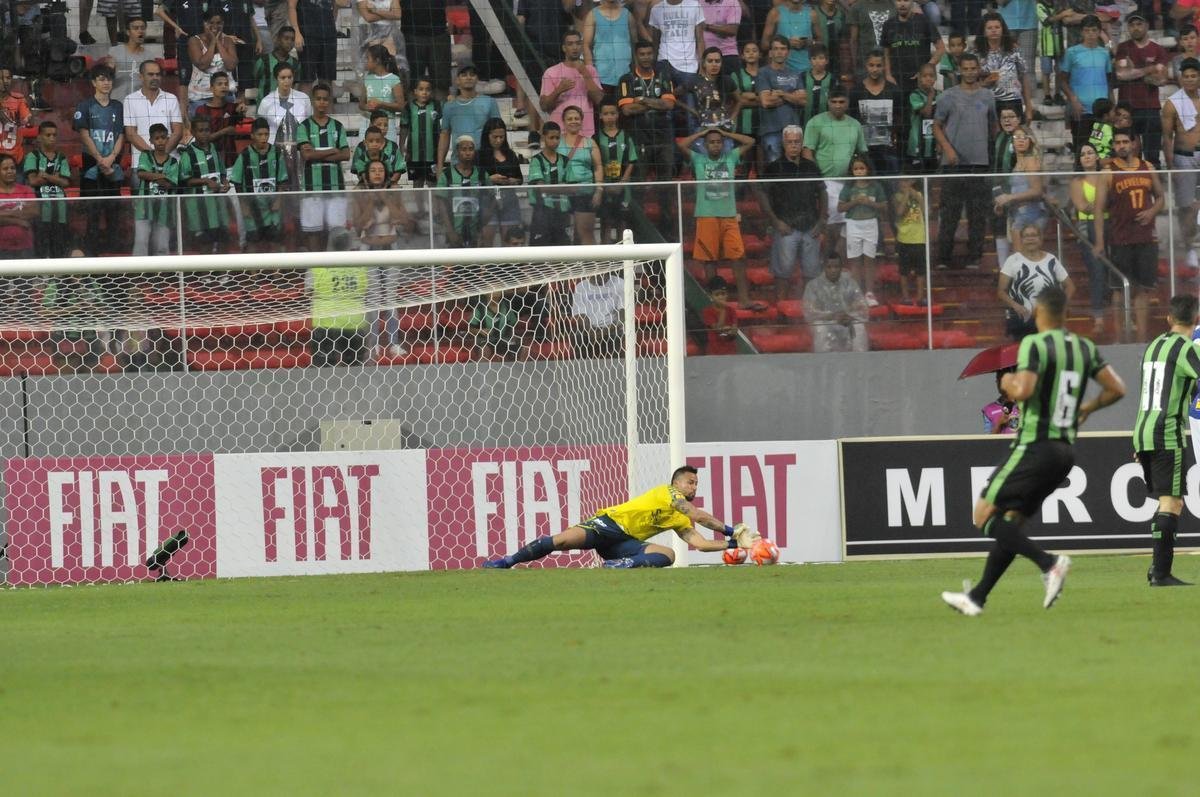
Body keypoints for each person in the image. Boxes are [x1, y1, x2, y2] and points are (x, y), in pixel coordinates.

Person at [941, 287, 1126, 616]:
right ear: (1064, 313)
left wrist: (1008, 384)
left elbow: (1023, 390)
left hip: (1035, 444)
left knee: (983, 516)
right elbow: (1117, 388)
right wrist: (1089, 406)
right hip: (1065, 453)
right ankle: (977, 597)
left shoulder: (1034, 345)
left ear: (1039, 312)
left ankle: (1050, 563)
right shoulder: (1084, 347)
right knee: (1012, 523)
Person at [483, 464, 761, 569]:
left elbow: (699, 543)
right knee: (561, 541)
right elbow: (697, 515)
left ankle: (620, 564)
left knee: (668, 555)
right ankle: (507, 562)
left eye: (696, 484)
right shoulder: (668, 494)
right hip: (608, 524)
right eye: (690, 482)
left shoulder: (679, 518)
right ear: (676, 483)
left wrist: (737, 545)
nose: (694, 487)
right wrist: (729, 530)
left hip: (623, 542)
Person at [1135, 295, 1200, 586]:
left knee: (1169, 502)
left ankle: (1156, 569)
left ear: (1169, 318)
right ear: (1195, 319)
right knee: (1171, 503)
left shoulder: (1153, 346)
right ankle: (1161, 573)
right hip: (1167, 431)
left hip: (1143, 430)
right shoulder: (1186, 348)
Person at [1093, 129, 1164, 342]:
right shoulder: (1108, 172)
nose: (1121, 145)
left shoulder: (1147, 167)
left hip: (1145, 237)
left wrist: (1152, 211)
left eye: (1125, 141)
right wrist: (1099, 241)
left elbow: (1161, 197)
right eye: (1117, 142)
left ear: (1134, 144)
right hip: (1120, 237)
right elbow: (1098, 209)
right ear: (1113, 146)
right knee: (1118, 289)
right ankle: (1120, 335)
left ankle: (1141, 339)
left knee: (1143, 289)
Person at [679, 126, 758, 304]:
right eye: (711, 142)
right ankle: (713, 301)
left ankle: (744, 299)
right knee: (709, 260)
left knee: (738, 257)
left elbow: (750, 141)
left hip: (729, 215)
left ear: (723, 144)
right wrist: (702, 133)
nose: (715, 145)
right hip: (706, 215)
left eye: (718, 142)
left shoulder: (731, 157)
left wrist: (725, 133)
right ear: (705, 145)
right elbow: (682, 145)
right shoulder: (698, 159)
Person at [933, 52, 997, 271]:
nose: (970, 72)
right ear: (959, 70)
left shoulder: (988, 96)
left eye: (973, 68)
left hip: (979, 163)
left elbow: (993, 126)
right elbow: (936, 126)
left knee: (977, 213)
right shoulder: (948, 96)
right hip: (953, 163)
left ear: (978, 69)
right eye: (966, 68)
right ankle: (943, 257)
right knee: (950, 212)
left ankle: (975, 256)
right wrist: (948, 149)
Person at [757, 124, 825, 303]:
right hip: (786, 226)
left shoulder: (811, 167)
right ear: (783, 143)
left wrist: (821, 221)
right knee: (783, 272)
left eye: (796, 142)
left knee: (811, 271)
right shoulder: (774, 168)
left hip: (810, 225)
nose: (793, 145)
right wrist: (775, 221)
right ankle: (781, 306)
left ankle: (809, 306)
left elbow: (822, 192)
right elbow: (762, 193)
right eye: (789, 142)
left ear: (802, 143)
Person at [74, 64, 126, 257]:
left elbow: (121, 134)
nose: (106, 83)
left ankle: (113, 257)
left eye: (109, 79)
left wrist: (110, 159)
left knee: (114, 212)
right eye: (102, 79)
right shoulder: (84, 106)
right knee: (92, 213)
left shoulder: (118, 106)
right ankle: (91, 254)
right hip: (91, 167)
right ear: (94, 82)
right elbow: (84, 135)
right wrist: (100, 159)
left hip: (112, 168)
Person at [296, 83, 351, 252]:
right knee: (314, 232)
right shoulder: (303, 126)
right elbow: (307, 156)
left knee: (336, 231)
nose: (322, 102)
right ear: (313, 101)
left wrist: (317, 152)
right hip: (313, 189)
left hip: (336, 188)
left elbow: (346, 154)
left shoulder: (337, 126)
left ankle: (334, 268)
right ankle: (316, 269)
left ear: (329, 102)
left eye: (325, 99)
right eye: (318, 99)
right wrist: (333, 150)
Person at [998, 223, 1074, 340]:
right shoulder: (1012, 260)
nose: (1030, 239)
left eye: (1034, 235)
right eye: (1026, 236)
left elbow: (1070, 287)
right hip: (1021, 320)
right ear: (1021, 239)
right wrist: (1016, 306)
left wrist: (1059, 306)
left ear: (1040, 238)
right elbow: (1001, 292)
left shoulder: (1051, 260)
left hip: (1047, 319)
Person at [1114, 12, 1167, 168]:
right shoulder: (1123, 48)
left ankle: (1153, 188)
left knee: (1152, 156)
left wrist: (1134, 72)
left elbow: (1162, 79)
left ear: (1147, 26)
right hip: (1126, 110)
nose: (1135, 28)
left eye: (1139, 24)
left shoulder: (1158, 49)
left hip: (1151, 108)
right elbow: (1121, 75)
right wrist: (1150, 69)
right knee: (1129, 154)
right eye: (1132, 25)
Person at [1162, 58, 1200, 269]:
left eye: (1194, 76)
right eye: (1186, 76)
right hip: (1184, 156)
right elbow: (1167, 137)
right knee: (1186, 206)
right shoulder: (1172, 103)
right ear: (1180, 78)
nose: (1190, 79)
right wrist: (1171, 166)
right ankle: (1189, 248)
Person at [231, 117, 290, 251]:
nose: (263, 138)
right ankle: (254, 273)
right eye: (260, 134)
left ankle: (276, 272)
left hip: (272, 207)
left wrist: (279, 200)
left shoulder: (276, 153)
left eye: (266, 134)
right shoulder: (245, 155)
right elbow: (237, 183)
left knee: (275, 240)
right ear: (252, 135)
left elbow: (282, 180)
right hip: (252, 208)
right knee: (253, 241)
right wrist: (244, 205)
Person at [1068, 142, 1109, 335]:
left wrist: (1100, 206)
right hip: (1088, 227)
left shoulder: (1106, 176)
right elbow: (1082, 206)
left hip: (1110, 225)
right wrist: (1103, 204)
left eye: (1090, 152)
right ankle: (1098, 317)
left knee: (1113, 269)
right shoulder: (1077, 181)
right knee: (1097, 271)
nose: (1086, 156)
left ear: (1097, 156)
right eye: (1083, 154)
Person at [993, 125, 1046, 266]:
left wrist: (1009, 198)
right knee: (1020, 258)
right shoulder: (1018, 162)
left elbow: (1037, 190)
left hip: (1029, 213)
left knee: (1023, 259)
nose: (1020, 140)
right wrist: (1003, 203)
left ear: (1030, 141)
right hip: (1016, 212)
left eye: (1024, 137)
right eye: (1016, 137)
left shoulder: (1031, 161)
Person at [837, 154, 886, 306]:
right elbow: (840, 207)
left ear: (867, 169)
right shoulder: (848, 187)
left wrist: (870, 203)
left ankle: (869, 293)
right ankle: (857, 293)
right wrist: (854, 202)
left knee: (869, 259)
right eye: (856, 169)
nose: (859, 171)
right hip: (853, 225)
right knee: (855, 260)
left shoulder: (875, 187)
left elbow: (884, 206)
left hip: (870, 224)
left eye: (862, 168)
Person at [1059, 15, 1112, 152]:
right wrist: (1073, 99)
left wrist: (1112, 106)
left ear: (1099, 32)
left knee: (1102, 151)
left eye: (1094, 30)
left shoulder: (1105, 54)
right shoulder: (1072, 52)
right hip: (1081, 110)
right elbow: (1062, 80)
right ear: (1082, 32)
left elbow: (1108, 81)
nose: (1090, 34)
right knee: (1081, 152)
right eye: (1087, 30)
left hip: (1101, 111)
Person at [179, 115, 231, 253]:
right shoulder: (188, 154)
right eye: (200, 130)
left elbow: (222, 172)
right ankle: (205, 274)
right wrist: (206, 181)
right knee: (205, 242)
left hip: (218, 204)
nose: (204, 133)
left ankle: (222, 272)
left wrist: (225, 182)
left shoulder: (214, 148)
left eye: (207, 130)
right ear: (193, 132)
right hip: (199, 205)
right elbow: (186, 180)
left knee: (223, 238)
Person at [541, 29, 606, 141]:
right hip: (559, 133)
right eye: (570, 44)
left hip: (585, 133)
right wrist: (558, 90)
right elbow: (544, 106)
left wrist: (585, 73)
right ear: (564, 48)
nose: (575, 47)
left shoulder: (590, 70)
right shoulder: (551, 72)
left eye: (578, 43)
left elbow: (599, 99)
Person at [436, 65, 501, 174]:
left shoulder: (490, 102)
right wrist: (440, 166)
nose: (468, 77)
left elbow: (498, 133)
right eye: (464, 75)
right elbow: (444, 135)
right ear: (457, 80)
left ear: (477, 79)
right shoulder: (449, 106)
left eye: (472, 74)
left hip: (485, 162)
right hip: (458, 163)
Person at [21, 121, 70, 260]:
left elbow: (65, 182)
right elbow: (33, 181)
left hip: (61, 209)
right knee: (41, 249)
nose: (52, 138)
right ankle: (42, 279)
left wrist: (46, 176)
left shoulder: (61, 157)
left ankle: (60, 280)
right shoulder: (33, 156)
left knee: (59, 250)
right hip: (41, 211)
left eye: (54, 135)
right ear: (39, 137)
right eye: (48, 135)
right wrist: (56, 178)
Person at [850, 49, 902, 178]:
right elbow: (851, 120)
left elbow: (900, 118)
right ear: (866, 66)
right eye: (871, 65)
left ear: (884, 66)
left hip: (888, 150)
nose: (875, 69)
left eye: (878, 65)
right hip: (864, 151)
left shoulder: (894, 90)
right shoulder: (856, 91)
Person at [755, 35, 805, 165]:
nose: (779, 52)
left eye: (783, 49)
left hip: (793, 131)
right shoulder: (763, 73)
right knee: (775, 169)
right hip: (772, 130)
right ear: (770, 52)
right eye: (775, 49)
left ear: (788, 52)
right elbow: (766, 102)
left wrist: (782, 94)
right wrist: (792, 96)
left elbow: (804, 101)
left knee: (794, 168)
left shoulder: (795, 73)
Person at [124, 60, 185, 165]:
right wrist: (152, 156)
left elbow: (178, 132)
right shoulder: (130, 100)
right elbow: (131, 134)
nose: (155, 77)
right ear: (141, 77)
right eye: (151, 74)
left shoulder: (171, 98)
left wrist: (161, 155)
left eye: (158, 74)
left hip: (170, 162)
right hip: (142, 163)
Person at [559, 106, 604, 246]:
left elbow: (598, 167)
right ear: (564, 122)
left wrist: (599, 190)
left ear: (582, 121)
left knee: (585, 233)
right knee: (562, 234)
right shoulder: (556, 141)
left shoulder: (590, 142)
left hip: (585, 191)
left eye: (577, 118)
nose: (573, 121)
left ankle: (593, 266)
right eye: (570, 119)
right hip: (561, 192)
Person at [804, 256, 869, 352]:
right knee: (820, 328)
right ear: (824, 267)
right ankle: (822, 364)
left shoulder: (850, 283)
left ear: (841, 268)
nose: (833, 270)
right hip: (825, 323)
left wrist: (850, 316)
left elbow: (863, 308)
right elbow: (809, 312)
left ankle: (859, 363)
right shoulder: (813, 286)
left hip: (847, 323)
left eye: (836, 267)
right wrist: (832, 316)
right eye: (829, 267)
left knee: (859, 327)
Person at [976, 12, 1032, 124]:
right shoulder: (976, 54)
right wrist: (984, 83)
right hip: (987, 102)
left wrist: (1029, 108)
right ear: (984, 31)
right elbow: (970, 81)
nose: (994, 30)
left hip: (1012, 101)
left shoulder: (1014, 51)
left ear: (1003, 29)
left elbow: (1024, 78)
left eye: (997, 27)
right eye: (990, 28)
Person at [881, 0, 943, 99]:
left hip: (920, 81)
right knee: (900, 112)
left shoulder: (924, 21)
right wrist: (888, 75)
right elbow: (886, 52)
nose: (902, 4)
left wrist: (926, 70)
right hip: (897, 80)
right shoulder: (888, 24)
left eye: (906, 0)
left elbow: (940, 48)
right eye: (898, 0)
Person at [134, 123, 180, 257]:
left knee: (162, 246)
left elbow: (170, 184)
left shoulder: (173, 162)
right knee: (141, 243)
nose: (160, 141)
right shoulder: (145, 155)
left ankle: (161, 276)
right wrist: (163, 176)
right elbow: (142, 174)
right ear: (151, 141)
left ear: (167, 139)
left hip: (164, 209)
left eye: (163, 137)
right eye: (157, 138)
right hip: (144, 207)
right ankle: (138, 275)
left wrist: (152, 176)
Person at [435, 135, 490, 248]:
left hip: (476, 232)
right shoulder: (447, 175)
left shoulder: (482, 174)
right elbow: (441, 204)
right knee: (455, 264)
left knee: (476, 264)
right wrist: (450, 231)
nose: (468, 153)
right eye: (464, 149)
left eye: (471, 149)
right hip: (454, 231)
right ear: (457, 151)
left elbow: (492, 199)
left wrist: (483, 226)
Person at [478, 117, 524, 246]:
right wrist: (489, 179)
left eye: (501, 137)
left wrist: (513, 181)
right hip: (487, 199)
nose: (498, 140)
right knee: (487, 241)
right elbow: (473, 178)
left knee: (510, 240)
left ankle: (508, 266)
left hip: (508, 198)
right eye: (495, 137)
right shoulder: (479, 155)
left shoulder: (510, 154)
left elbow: (520, 178)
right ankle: (486, 266)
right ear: (487, 136)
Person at [187, 10, 240, 114]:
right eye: (211, 22)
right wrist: (213, 43)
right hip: (200, 97)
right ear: (204, 23)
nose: (215, 26)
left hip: (225, 96)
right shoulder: (194, 40)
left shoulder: (228, 41)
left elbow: (231, 65)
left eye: (219, 23)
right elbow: (202, 64)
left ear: (223, 24)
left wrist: (218, 42)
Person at [288, 0, 346, 91]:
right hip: (307, 35)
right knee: (307, 78)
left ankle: (327, 104)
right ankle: (303, 105)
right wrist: (297, 32)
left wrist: (337, 8)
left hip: (328, 35)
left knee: (327, 79)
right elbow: (291, 6)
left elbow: (336, 9)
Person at [583, 0, 638, 94]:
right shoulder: (592, 15)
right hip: (601, 76)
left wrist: (637, 70)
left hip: (625, 74)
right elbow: (586, 45)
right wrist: (591, 73)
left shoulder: (628, 15)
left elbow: (635, 45)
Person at [105, 16, 162, 102]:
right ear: (128, 32)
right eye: (136, 28)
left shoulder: (149, 56)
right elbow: (105, 78)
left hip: (140, 104)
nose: (140, 31)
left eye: (143, 28)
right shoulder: (114, 52)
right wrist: (109, 69)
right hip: (118, 102)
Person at [399, 77, 441, 196]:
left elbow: (443, 128)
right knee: (417, 184)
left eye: (428, 89)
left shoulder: (437, 105)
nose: (424, 92)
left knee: (433, 184)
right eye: (421, 89)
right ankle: (420, 211)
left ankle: (435, 210)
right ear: (415, 91)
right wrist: (401, 146)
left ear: (431, 92)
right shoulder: (408, 107)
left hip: (432, 153)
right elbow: (404, 127)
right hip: (414, 154)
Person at [649, 0, 707, 83]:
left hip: (689, 65)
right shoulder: (656, 9)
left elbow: (700, 39)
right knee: (665, 95)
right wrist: (653, 64)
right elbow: (655, 41)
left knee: (689, 96)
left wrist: (702, 66)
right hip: (664, 61)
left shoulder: (694, 6)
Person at [194, 72, 243, 168]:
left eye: (226, 84)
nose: (223, 87)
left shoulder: (233, 108)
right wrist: (225, 131)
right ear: (212, 88)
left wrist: (242, 111)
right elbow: (203, 139)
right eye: (219, 84)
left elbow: (237, 130)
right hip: (209, 160)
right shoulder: (202, 110)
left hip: (230, 160)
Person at [358, 44, 405, 142]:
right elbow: (361, 104)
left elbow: (401, 106)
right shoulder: (367, 78)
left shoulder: (394, 79)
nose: (365, 61)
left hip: (387, 125)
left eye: (368, 58)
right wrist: (367, 107)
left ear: (377, 60)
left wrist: (381, 104)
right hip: (367, 122)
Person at [761, 0, 821, 76]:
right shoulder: (775, 13)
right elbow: (764, 45)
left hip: (808, 70)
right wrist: (786, 43)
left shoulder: (812, 14)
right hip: (782, 71)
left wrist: (808, 42)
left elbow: (821, 43)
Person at [892, 177, 926, 305]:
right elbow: (900, 212)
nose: (904, 184)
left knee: (921, 270)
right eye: (902, 181)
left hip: (919, 239)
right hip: (904, 239)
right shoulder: (896, 197)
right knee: (904, 270)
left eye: (907, 181)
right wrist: (906, 194)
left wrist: (916, 196)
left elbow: (926, 210)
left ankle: (920, 297)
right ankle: (905, 297)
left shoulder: (919, 194)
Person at [0, 154, 36, 259]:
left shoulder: (26, 190)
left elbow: (33, 211)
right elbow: (26, 213)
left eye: (12, 168)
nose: (10, 171)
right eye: (5, 169)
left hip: (25, 247)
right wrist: (18, 221)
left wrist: (5, 213)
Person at [253, 25, 302, 103]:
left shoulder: (295, 63)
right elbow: (255, 79)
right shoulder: (263, 60)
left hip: (286, 106)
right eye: (286, 38)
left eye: (292, 39)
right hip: (265, 107)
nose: (289, 42)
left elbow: (295, 85)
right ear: (278, 39)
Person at [351, 115, 404, 185]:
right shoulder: (361, 151)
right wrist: (368, 186)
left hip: (386, 184)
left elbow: (393, 172)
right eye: (379, 125)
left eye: (385, 125)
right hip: (366, 184)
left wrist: (386, 186)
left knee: (396, 187)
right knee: (357, 189)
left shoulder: (390, 151)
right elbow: (361, 174)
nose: (382, 128)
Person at [906, 63, 939, 174]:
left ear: (935, 78)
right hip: (918, 146)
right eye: (925, 76)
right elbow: (927, 114)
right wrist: (930, 95)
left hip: (934, 146)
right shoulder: (915, 95)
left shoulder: (940, 95)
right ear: (919, 77)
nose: (928, 78)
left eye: (931, 76)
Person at [469, 290, 520, 360]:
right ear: (486, 293)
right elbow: (470, 329)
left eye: (498, 290)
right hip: (486, 341)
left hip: (504, 340)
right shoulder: (480, 308)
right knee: (484, 351)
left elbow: (513, 324)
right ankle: (482, 369)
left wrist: (513, 334)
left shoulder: (507, 306)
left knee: (524, 349)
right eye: (492, 290)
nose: (495, 293)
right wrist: (480, 331)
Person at [0, 67, 33, 169]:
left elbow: (27, 119)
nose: (5, 81)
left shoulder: (18, 99)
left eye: (8, 78)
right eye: (1, 78)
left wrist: (25, 120)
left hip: (14, 157)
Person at [699, 0, 742, 76]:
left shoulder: (732, 2)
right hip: (704, 56)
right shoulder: (697, 3)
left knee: (729, 86)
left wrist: (707, 27)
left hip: (727, 55)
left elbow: (732, 30)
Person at [701, 275, 739, 354]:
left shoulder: (732, 311)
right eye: (717, 295)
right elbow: (718, 329)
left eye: (723, 294)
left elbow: (734, 330)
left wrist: (730, 331)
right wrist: (723, 309)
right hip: (714, 352)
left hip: (730, 351)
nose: (721, 297)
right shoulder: (707, 312)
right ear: (711, 296)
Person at [799, 43, 834, 128]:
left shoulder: (832, 79)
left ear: (827, 60)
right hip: (805, 123)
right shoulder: (802, 77)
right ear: (810, 60)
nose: (817, 62)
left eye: (821, 58)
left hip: (826, 124)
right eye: (814, 58)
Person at [982, 368, 1020, 434]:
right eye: (998, 379)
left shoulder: (1026, 405)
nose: (1000, 383)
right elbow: (988, 440)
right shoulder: (988, 410)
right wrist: (999, 424)